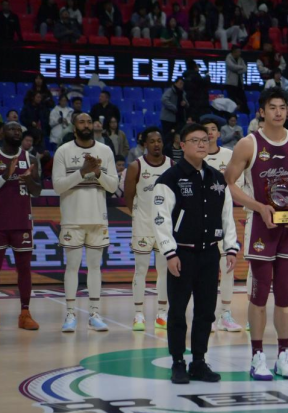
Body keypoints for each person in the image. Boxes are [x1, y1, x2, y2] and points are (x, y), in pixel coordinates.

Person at [225, 87, 288, 380]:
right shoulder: (248, 144)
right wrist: (258, 207)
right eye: (272, 107)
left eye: (282, 107)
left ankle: (283, 355)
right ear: (262, 111)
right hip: (261, 225)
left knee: (285, 293)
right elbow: (230, 183)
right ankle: (257, 356)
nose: (278, 112)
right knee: (260, 293)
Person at [152, 123, 238, 384]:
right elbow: (160, 220)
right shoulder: (169, 179)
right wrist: (170, 252)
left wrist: (230, 247)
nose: (202, 144)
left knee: (206, 311)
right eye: (195, 140)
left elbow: (227, 215)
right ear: (182, 145)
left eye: (205, 139)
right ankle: (178, 362)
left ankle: (199, 361)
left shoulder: (217, 178)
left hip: (210, 254)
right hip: (182, 255)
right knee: (178, 311)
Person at [52, 113, 118, 332]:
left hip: (98, 218)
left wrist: (97, 172)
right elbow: (58, 186)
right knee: (72, 267)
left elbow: (112, 186)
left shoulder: (105, 150)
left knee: (95, 267)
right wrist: (82, 172)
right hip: (72, 219)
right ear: (74, 127)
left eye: (89, 122)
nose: (86, 125)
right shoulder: (63, 151)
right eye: (82, 122)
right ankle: (70, 314)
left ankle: (94, 314)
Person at [124, 127, 172, 331]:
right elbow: (128, 196)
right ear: (145, 144)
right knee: (141, 270)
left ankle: (162, 313)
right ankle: (138, 314)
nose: (156, 144)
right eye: (152, 141)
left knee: (164, 271)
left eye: (159, 140)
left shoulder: (171, 165)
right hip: (143, 225)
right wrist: (139, 216)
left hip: (164, 227)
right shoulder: (136, 166)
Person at [201, 117, 244, 331]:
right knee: (205, 272)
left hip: (225, 219)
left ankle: (225, 314)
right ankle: (206, 315)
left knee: (227, 267)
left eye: (213, 129)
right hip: (200, 221)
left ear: (219, 133)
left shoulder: (229, 155)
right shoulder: (195, 157)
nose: (210, 133)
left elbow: (238, 185)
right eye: (206, 129)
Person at [0, 122, 42, 330]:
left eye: (19, 130)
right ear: (2, 133)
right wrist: (6, 175)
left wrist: (29, 180)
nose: (17, 132)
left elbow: (37, 191)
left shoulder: (30, 159)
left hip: (21, 222)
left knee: (24, 269)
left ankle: (25, 313)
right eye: (12, 129)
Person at [161, 77, 188, 149]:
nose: (181, 85)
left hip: (179, 119)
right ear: (175, 83)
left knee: (177, 136)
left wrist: (185, 103)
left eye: (182, 84)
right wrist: (174, 108)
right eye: (180, 83)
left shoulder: (183, 93)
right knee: (167, 137)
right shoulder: (170, 91)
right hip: (168, 119)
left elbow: (187, 104)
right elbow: (164, 100)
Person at [225, 46, 249, 114]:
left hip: (239, 83)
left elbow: (245, 69)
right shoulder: (228, 58)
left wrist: (238, 70)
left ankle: (245, 114)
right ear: (234, 52)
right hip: (231, 84)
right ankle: (232, 115)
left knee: (244, 100)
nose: (240, 53)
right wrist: (241, 68)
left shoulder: (240, 59)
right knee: (232, 101)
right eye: (238, 52)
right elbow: (232, 67)